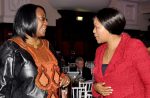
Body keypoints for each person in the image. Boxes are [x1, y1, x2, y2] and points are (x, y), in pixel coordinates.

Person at [0, 4, 70, 98]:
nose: (46, 23)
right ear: (28, 19)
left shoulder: (47, 45)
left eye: (46, 19)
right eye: (42, 19)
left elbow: (56, 72)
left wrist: (64, 78)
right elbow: (2, 89)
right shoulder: (12, 47)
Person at [92, 8, 150, 98]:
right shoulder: (99, 51)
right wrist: (96, 87)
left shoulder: (133, 46)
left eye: (97, 27)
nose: (94, 31)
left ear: (109, 27)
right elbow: (98, 81)